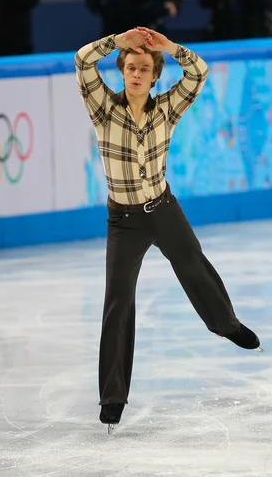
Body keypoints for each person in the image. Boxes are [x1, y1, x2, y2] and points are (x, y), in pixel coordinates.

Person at [75, 27, 262, 429]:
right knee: (118, 301)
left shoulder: (166, 109)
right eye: (130, 67)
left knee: (194, 265)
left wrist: (170, 48)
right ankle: (112, 399)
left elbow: (198, 72)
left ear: (155, 75)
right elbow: (83, 60)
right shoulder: (103, 108)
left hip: (163, 208)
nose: (137, 73)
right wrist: (117, 41)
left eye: (144, 68)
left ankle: (226, 325)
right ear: (122, 71)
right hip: (124, 221)